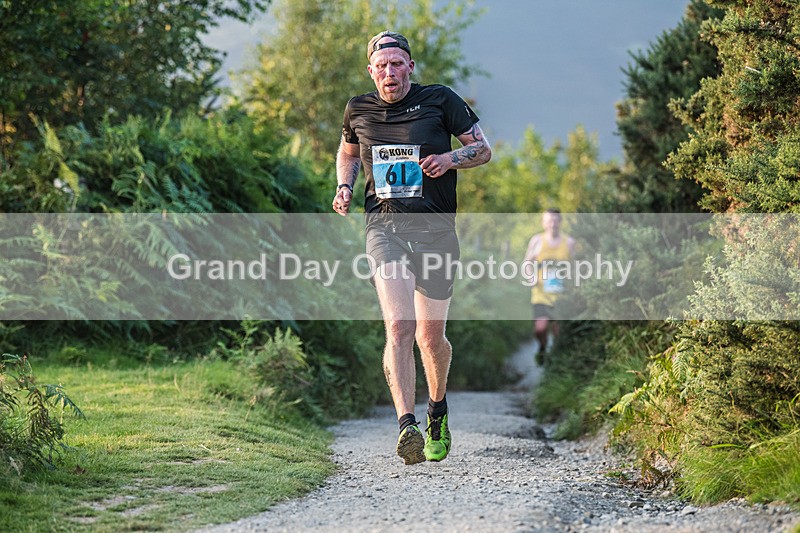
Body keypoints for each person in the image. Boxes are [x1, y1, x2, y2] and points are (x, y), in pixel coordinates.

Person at [332, 31, 491, 465]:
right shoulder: (358, 109)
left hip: (436, 233)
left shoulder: (440, 100)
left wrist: (449, 160)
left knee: (430, 337)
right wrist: (345, 186)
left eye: (397, 64)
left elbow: (482, 149)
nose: (389, 72)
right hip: (384, 229)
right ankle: (407, 426)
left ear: (410, 67)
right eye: (381, 66)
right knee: (400, 326)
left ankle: (437, 410)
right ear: (371, 71)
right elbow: (348, 153)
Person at [523, 209, 576, 361]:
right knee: (540, 328)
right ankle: (542, 347)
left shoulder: (570, 243)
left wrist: (573, 281)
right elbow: (527, 263)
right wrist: (531, 277)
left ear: (560, 222)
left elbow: (576, 266)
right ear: (543, 223)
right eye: (549, 221)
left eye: (555, 220)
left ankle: (555, 360)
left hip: (562, 295)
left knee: (558, 331)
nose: (552, 224)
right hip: (541, 294)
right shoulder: (537, 241)